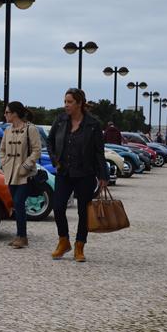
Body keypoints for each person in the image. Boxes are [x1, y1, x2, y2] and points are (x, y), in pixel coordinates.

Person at [47, 88, 109, 262]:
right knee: (58, 207)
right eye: (65, 101)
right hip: (64, 171)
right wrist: (54, 159)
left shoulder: (93, 124)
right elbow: (50, 141)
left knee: (84, 211)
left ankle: (79, 246)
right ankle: (63, 241)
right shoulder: (60, 120)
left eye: (69, 102)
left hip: (85, 173)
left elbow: (99, 152)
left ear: (79, 103)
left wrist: (103, 175)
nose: (66, 105)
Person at [0, 101, 41, 249]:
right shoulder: (7, 131)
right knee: (17, 205)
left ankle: (22, 236)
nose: (5, 115)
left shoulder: (31, 129)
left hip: (25, 174)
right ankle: (19, 235)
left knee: (18, 202)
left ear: (15, 113)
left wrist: (26, 166)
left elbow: (37, 150)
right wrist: (4, 163)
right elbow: (2, 150)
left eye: (7, 112)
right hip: (10, 173)